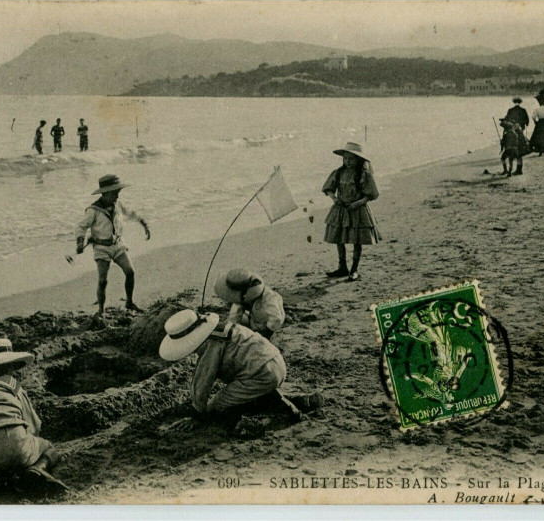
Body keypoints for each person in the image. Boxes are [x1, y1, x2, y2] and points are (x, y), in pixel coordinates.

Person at [159, 309, 320, 431]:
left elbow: (204, 378)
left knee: (215, 407)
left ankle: (283, 409)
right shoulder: (222, 328)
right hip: (275, 363)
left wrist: (197, 414)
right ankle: (294, 400)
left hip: (261, 375)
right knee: (241, 391)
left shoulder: (211, 344)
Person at [0, 338, 67, 492]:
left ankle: (0, 476)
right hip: (18, 450)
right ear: (9, 365)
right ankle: (37, 468)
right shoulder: (13, 386)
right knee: (48, 448)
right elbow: (34, 426)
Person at [75, 174, 150, 316]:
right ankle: (101, 310)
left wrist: (143, 223)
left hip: (117, 244)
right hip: (101, 248)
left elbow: (130, 213)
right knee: (103, 281)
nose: (116, 196)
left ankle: (129, 302)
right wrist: (80, 242)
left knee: (130, 272)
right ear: (104, 193)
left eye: (118, 193)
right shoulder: (93, 210)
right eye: (114, 193)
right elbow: (81, 226)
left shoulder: (117, 204)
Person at [322, 142, 381, 281]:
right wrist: (334, 198)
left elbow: (371, 194)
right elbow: (328, 188)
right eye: (346, 158)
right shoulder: (339, 172)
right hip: (341, 208)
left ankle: (354, 269)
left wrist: (358, 203)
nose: (348, 162)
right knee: (338, 237)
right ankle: (342, 266)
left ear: (358, 160)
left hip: (358, 209)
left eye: (351, 159)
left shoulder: (364, 174)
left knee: (357, 240)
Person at [214, 268, 285, 340]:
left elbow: (276, 319)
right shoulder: (240, 298)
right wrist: (230, 332)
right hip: (252, 319)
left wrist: (265, 335)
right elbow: (234, 317)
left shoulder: (269, 297)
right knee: (235, 325)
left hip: (266, 324)